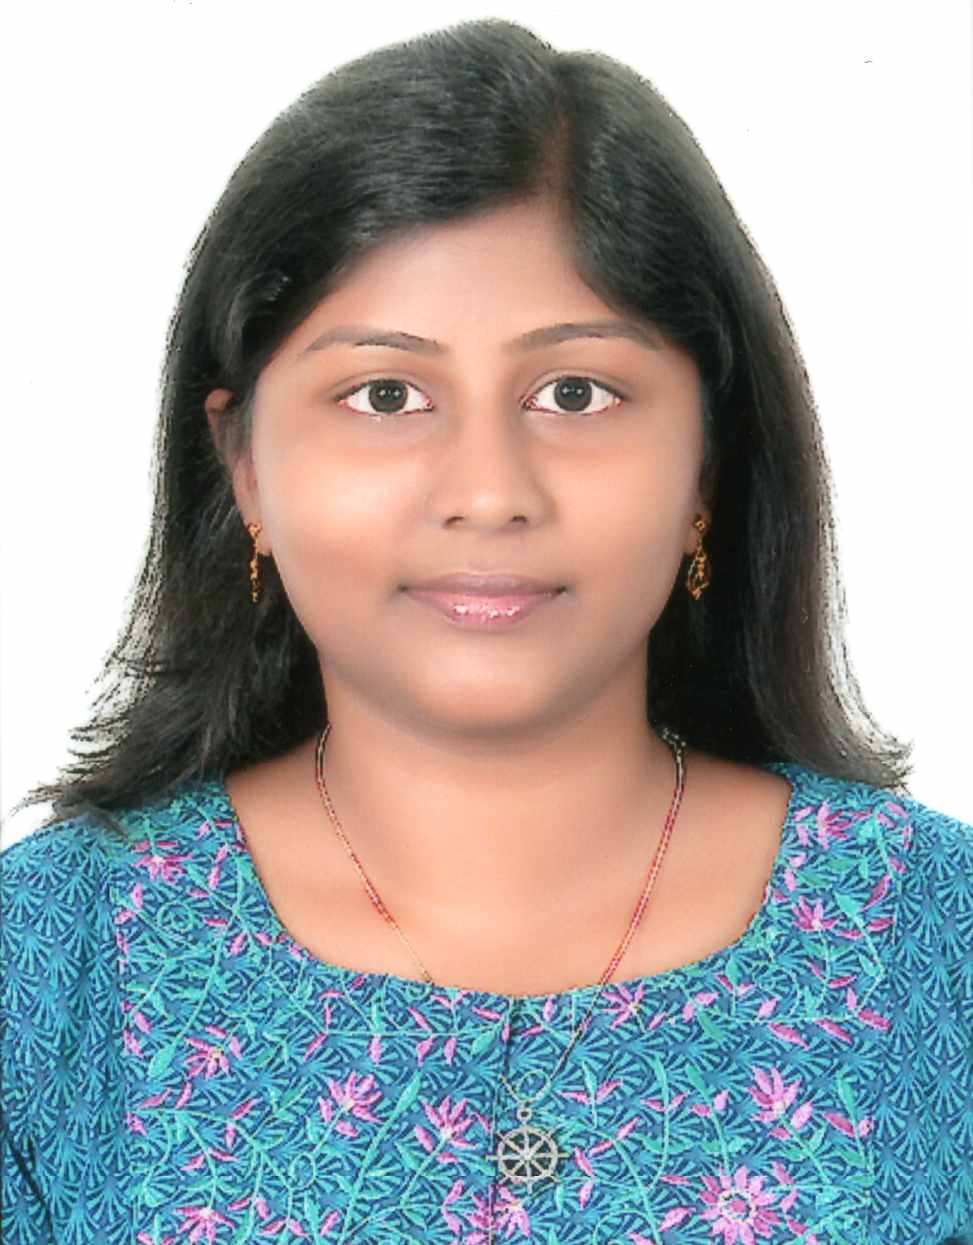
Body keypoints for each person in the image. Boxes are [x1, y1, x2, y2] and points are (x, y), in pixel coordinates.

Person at [2, 17, 970, 1245]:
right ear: (242, 465)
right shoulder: (50, 966)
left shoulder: (937, 938)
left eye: (575, 393)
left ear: (706, 461)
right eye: (385, 395)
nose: (487, 491)